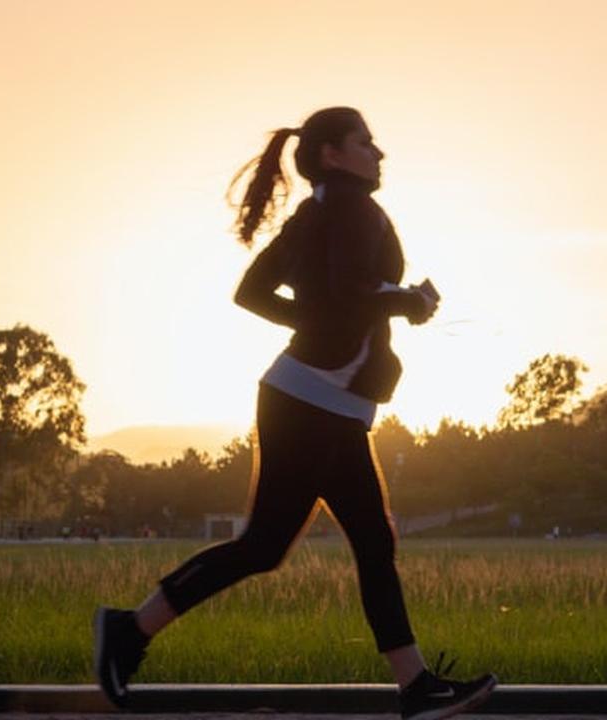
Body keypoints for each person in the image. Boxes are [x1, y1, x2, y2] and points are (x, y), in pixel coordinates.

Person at [92, 107, 496, 719]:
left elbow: (255, 292)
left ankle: (415, 687)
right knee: (280, 545)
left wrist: (319, 323)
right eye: (366, 142)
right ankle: (128, 631)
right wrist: (408, 301)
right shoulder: (351, 210)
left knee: (350, 541)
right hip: (312, 403)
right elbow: (348, 292)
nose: (379, 153)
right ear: (333, 154)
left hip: (317, 400)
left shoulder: (316, 213)